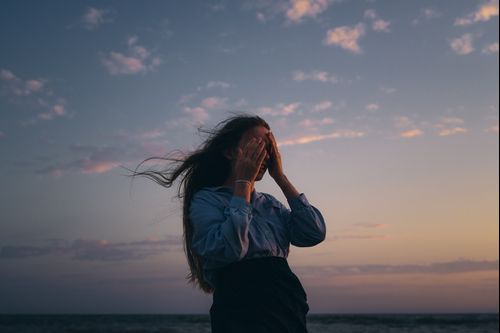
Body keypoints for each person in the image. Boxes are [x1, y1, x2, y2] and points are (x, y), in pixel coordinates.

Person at [125, 114, 326, 333]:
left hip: (287, 301)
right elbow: (231, 249)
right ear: (230, 152)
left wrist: (280, 177)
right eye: (255, 145)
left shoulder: (269, 203)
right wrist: (244, 183)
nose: (264, 155)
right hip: (241, 305)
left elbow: (313, 233)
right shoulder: (207, 200)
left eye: (268, 148)